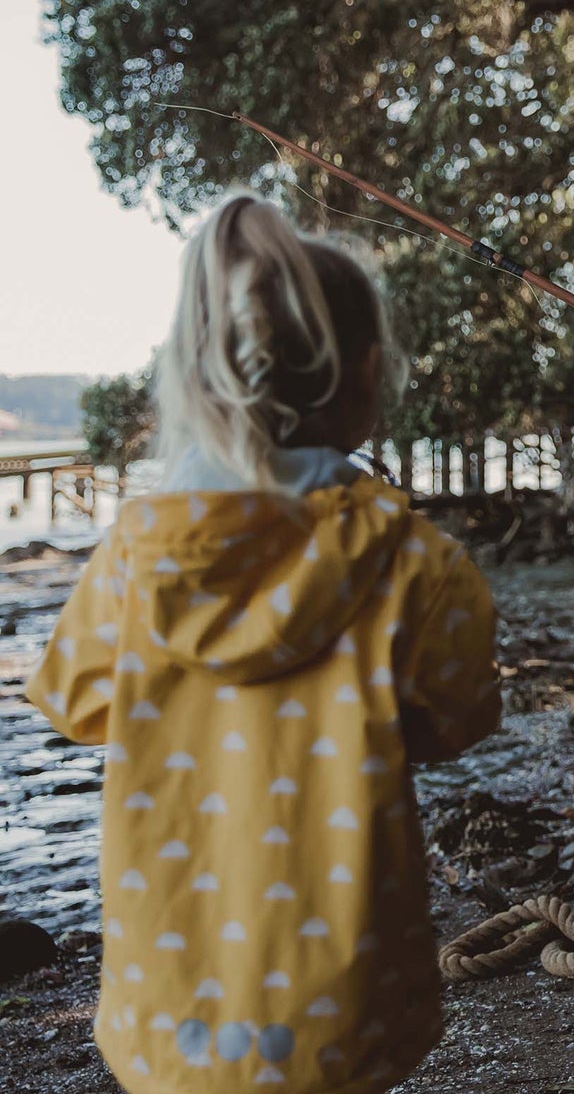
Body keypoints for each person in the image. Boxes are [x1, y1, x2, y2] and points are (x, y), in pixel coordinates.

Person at [27, 193, 501, 1092]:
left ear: (201, 380)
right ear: (367, 376)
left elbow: (77, 702)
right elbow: (460, 717)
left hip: (173, 998)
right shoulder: (412, 559)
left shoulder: (134, 553)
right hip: (349, 988)